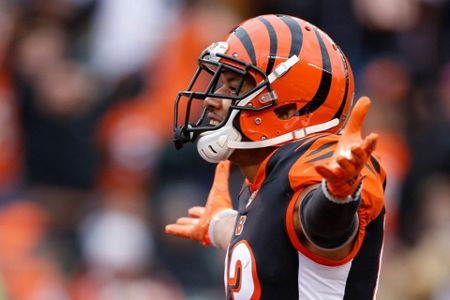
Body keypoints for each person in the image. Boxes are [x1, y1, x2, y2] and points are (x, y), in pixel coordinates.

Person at [165, 14, 386, 299]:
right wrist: (220, 223)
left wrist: (336, 197)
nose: (211, 99)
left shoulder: (316, 159)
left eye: (233, 88)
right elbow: (275, 238)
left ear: (288, 111)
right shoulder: (264, 181)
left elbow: (321, 227)